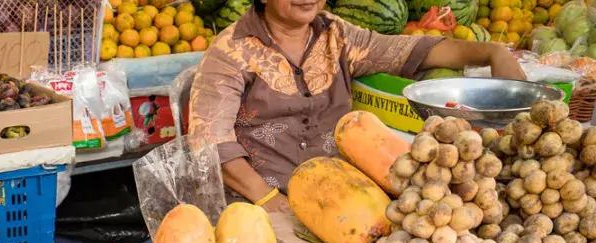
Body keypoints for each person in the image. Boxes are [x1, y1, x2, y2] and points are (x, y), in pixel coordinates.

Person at [188, 0, 526, 210]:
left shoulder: (337, 35)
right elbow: (211, 143)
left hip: (341, 196)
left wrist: (492, 52)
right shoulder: (231, 51)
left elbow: (409, 51)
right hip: (260, 204)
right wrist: (270, 202)